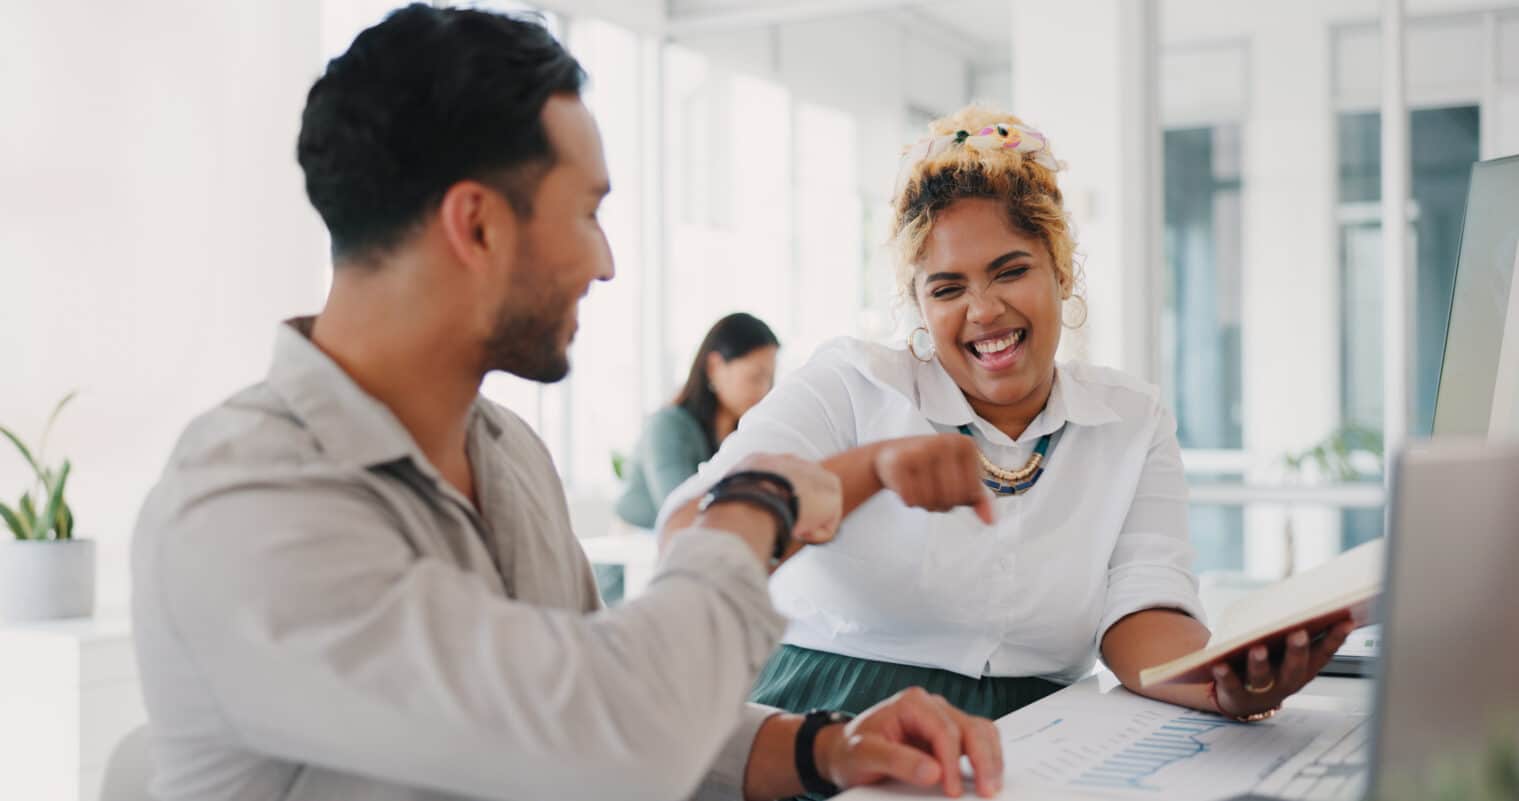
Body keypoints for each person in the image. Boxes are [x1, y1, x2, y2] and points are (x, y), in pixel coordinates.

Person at [129, 9, 1005, 801]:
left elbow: (590, 687)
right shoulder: (244, 508)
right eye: (588, 212)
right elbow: (614, 737)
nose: (607, 261)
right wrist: (758, 504)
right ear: (475, 226)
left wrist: (824, 746)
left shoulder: (506, 450)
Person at [660, 106, 1354, 729]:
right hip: (827, 720)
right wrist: (867, 471)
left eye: (1009, 270)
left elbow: (1142, 609)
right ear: (920, 304)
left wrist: (1222, 684)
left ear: (1061, 270)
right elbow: (693, 529)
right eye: (947, 287)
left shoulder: (1130, 418)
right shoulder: (849, 384)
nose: (983, 309)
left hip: (1037, 733)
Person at [616, 313, 780, 529]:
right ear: (714, 367)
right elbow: (681, 508)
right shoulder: (667, 426)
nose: (764, 391)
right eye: (755, 377)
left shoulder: (742, 433)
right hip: (634, 552)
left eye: (770, 379)